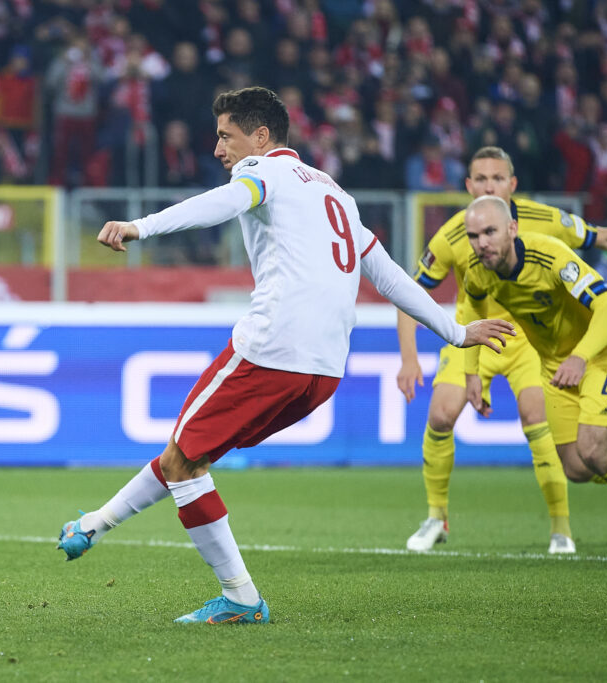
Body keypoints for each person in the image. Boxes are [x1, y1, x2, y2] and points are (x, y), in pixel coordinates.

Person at [55, 87, 515, 624]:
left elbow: (223, 203)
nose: (218, 148)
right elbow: (387, 272)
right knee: (189, 456)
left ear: (261, 136)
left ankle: (241, 598)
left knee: (185, 459)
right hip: (322, 371)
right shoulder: (334, 192)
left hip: (272, 347)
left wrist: (142, 226)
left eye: (225, 135)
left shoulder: (261, 173)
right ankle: (95, 525)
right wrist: (456, 333)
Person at [398, 146, 607, 554]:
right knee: (572, 463)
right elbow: (446, 304)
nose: (489, 186)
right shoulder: (461, 247)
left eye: (497, 178)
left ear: (512, 187)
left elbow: (602, 242)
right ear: (468, 186)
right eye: (480, 180)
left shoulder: (545, 232)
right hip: (509, 342)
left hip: (557, 345)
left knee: (583, 447)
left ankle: (581, 529)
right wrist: (455, 369)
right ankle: (435, 517)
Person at [458, 195, 607, 561]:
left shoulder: (550, 256)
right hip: (555, 364)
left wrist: (582, 357)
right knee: (578, 468)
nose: (481, 242)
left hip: (602, 350)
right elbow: (470, 309)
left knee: (595, 450)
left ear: (512, 229)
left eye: (489, 232)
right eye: (473, 235)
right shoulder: (478, 270)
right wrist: (471, 373)